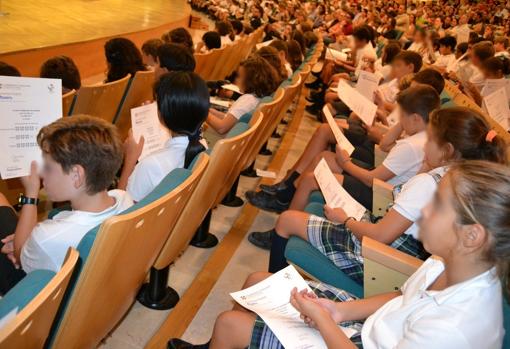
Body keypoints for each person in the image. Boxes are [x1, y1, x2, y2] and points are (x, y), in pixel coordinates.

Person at [169, 159, 509, 349]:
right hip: (367, 331)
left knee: (230, 324)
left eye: (436, 206)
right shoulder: (445, 260)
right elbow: (400, 296)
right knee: (258, 281)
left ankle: (224, 342)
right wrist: (339, 311)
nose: (422, 213)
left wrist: (322, 321)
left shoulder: (455, 329)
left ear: (471, 235)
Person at [265, 106, 509, 277]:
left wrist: (346, 220)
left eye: (430, 140)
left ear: (447, 150)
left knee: (287, 220)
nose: (425, 145)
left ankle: (273, 287)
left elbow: (379, 236)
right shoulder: (470, 180)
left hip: (375, 259)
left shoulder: (430, 182)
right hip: (397, 251)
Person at [0, 116, 133, 295]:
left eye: (47, 167)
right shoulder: (123, 198)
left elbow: (19, 255)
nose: (41, 173)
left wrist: (31, 194)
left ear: (76, 175)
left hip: (43, 303)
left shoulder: (47, 237)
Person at [118, 71, 209, 202]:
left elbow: (121, 212)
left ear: (161, 115)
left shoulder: (150, 166)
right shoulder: (202, 146)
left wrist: (129, 160)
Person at [206, 55, 280, 136]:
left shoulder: (248, 100)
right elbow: (231, 118)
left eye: (239, 76)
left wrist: (201, 113)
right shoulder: (257, 97)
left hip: (215, 140)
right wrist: (209, 110)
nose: (236, 80)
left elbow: (221, 128)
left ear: (250, 81)